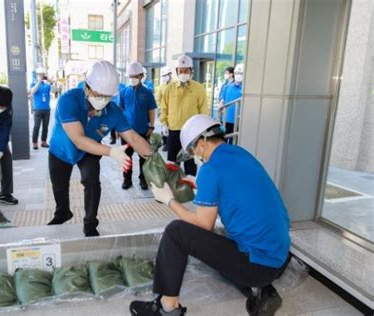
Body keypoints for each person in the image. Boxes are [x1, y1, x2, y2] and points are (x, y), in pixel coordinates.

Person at [129, 114, 291, 316]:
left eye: (192, 149)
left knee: (176, 232)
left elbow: (203, 225)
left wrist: (169, 200)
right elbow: (235, 188)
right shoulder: (239, 153)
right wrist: (197, 183)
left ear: (202, 142)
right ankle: (264, 291)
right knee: (220, 247)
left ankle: (166, 307)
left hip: (258, 265)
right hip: (280, 255)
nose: (195, 154)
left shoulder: (210, 169)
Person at [47, 61, 153, 237]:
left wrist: (155, 160)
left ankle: (90, 223)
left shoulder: (112, 111)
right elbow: (79, 140)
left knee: (92, 182)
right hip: (61, 150)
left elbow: (133, 137)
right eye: (99, 95)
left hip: (90, 151)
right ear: (87, 87)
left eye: (108, 96)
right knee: (59, 186)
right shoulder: (68, 100)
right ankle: (62, 213)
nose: (103, 100)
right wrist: (111, 151)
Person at [160, 55, 208, 176]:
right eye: (180, 71)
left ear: (191, 71)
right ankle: (174, 188)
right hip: (174, 131)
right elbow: (164, 107)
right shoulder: (170, 88)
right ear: (176, 72)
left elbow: (204, 110)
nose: (183, 73)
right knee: (172, 162)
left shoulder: (199, 88)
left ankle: (189, 189)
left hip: (192, 133)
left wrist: (202, 130)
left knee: (190, 163)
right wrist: (164, 123)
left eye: (186, 70)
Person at [120, 62, 157, 190]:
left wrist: (152, 126)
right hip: (126, 132)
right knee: (126, 157)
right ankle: (127, 179)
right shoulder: (124, 91)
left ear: (141, 76)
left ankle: (143, 180)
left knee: (144, 158)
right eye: (130, 76)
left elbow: (151, 110)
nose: (133, 78)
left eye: (135, 76)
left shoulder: (147, 93)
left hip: (143, 131)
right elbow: (121, 109)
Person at [220, 64, 243, 141]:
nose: (238, 75)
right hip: (226, 120)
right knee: (223, 141)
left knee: (235, 142)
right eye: (237, 73)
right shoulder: (227, 87)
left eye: (241, 74)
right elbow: (222, 101)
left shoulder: (245, 89)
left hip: (238, 121)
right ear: (234, 74)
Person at [155, 66, 173, 152]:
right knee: (164, 128)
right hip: (164, 110)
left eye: (166, 75)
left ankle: (171, 144)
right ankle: (165, 144)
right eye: (163, 75)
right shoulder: (161, 86)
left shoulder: (175, 84)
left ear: (170, 74)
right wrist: (160, 107)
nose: (164, 77)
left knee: (172, 128)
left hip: (174, 111)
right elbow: (158, 98)